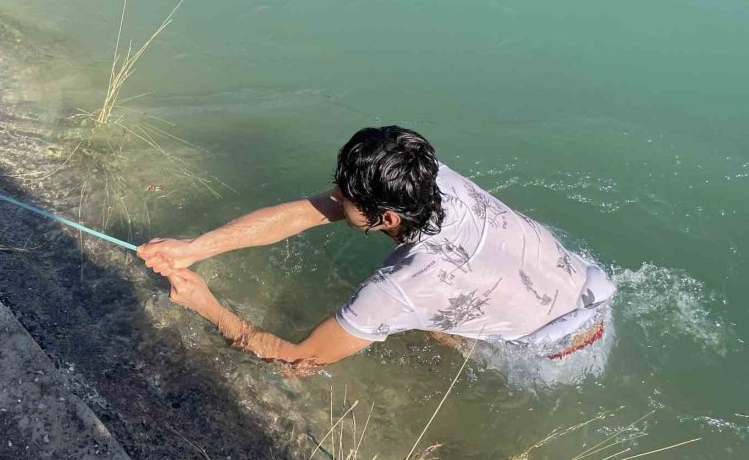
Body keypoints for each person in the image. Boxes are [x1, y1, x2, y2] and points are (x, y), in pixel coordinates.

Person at [137, 126, 616, 380]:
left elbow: (300, 362)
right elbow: (309, 212)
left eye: (345, 198)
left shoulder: (400, 288)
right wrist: (196, 247)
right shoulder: (432, 178)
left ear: (386, 219)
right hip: (592, 296)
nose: (333, 199)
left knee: (423, 312)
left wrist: (207, 304)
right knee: (447, 307)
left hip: (551, 356)